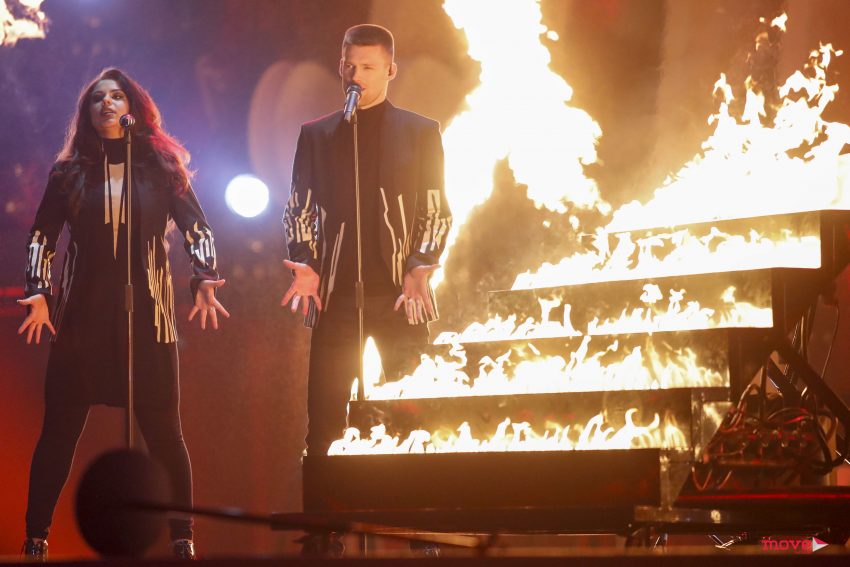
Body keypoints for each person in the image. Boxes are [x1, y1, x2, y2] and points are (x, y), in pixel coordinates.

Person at [17, 68, 228, 561]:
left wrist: (205, 277)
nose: (107, 104)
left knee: (166, 436)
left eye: (116, 96)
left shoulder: (161, 167)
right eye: (97, 99)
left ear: (133, 107)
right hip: (82, 321)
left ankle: (182, 539)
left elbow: (198, 229)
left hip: (148, 319)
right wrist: (38, 290)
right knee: (57, 435)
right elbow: (42, 235)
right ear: (87, 113)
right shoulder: (68, 173)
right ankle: (35, 538)